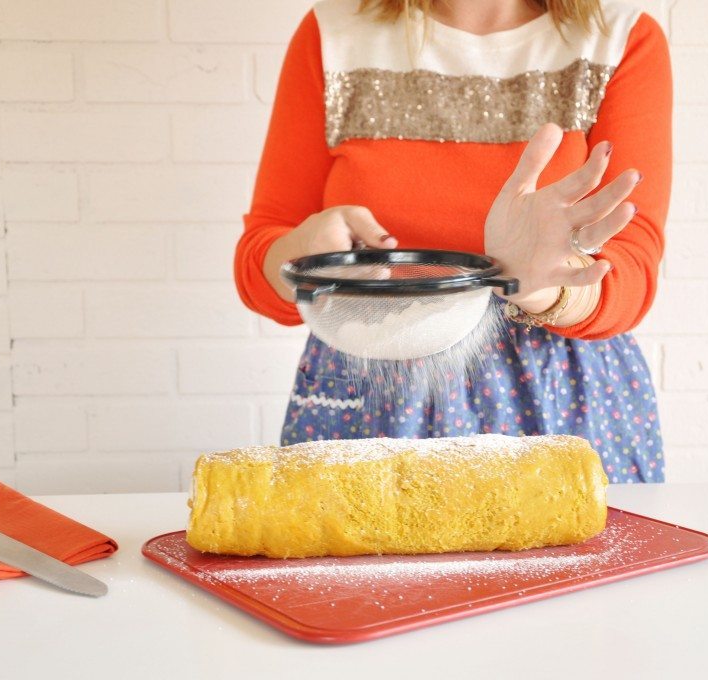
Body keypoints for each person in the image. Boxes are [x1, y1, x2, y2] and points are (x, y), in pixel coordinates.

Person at [234, 0, 671, 483]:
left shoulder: (619, 38)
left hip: (556, 396)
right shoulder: (333, 33)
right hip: (368, 399)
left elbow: (631, 268)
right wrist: (309, 258)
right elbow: (260, 257)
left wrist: (540, 284)